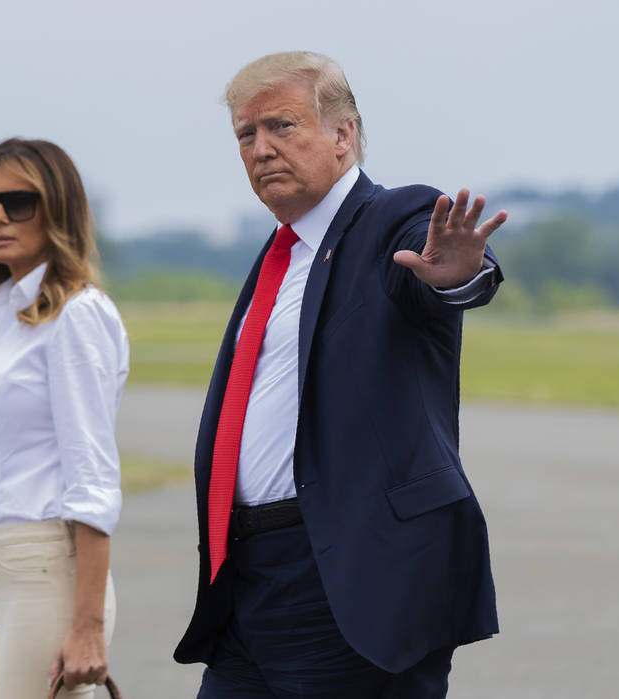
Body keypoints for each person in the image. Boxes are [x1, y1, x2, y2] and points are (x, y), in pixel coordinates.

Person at [174, 51, 508, 697]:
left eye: (282, 126)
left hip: (349, 583)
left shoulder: (392, 219)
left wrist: (459, 272)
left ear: (343, 133)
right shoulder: (279, 256)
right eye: (247, 134)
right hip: (248, 586)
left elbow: (445, 266)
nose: (262, 148)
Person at [0, 138, 128, 699]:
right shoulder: (1, 314)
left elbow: (93, 479)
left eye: (18, 202)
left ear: (58, 209)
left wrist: (86, 625)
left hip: (47, 575)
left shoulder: (77, 317)